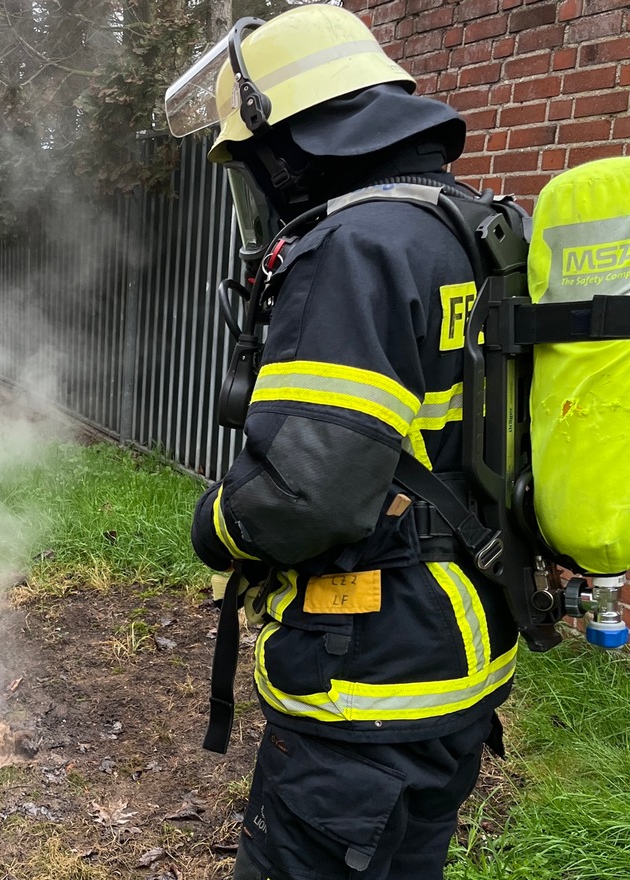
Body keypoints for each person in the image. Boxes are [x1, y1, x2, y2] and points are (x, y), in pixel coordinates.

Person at [168, 6, 518, 879]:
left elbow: (305, 493)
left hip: (369, 683)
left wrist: (217, 525)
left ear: (287, 149)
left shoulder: (353, 248)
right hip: (456, 662)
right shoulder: (466, 224)